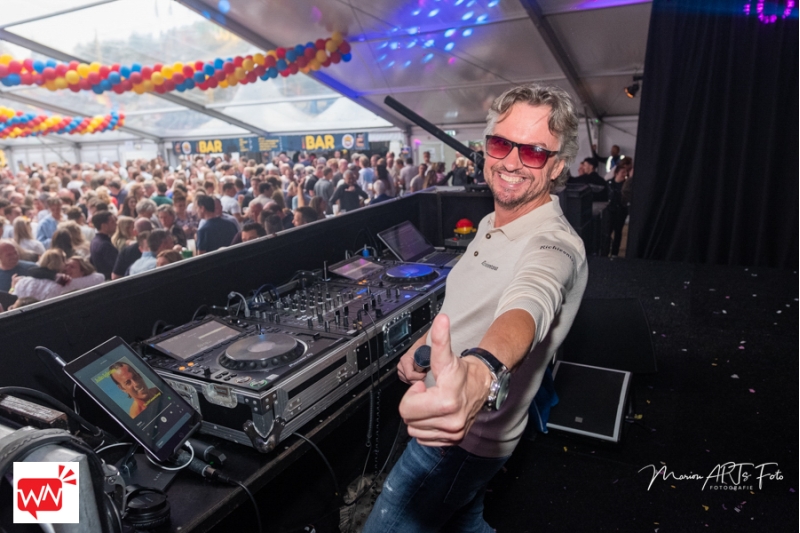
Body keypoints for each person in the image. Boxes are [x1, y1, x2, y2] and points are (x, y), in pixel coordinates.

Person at [363, 84, 588, 533]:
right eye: (501, 144)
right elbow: (469, 305)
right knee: (463, 520)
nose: (511, 162)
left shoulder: (555, 244)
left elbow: (530, 302)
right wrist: (424, 347)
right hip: (459, 427)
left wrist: (482, 374)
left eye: (534, 152)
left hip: (463, 443)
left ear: (558, 165)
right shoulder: (492, 220)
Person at [89, 211, 119, 280]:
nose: (116, 224)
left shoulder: (95, 241)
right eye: (112, 222)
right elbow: (117, 267)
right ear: (104, 226)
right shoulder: (105, 245)